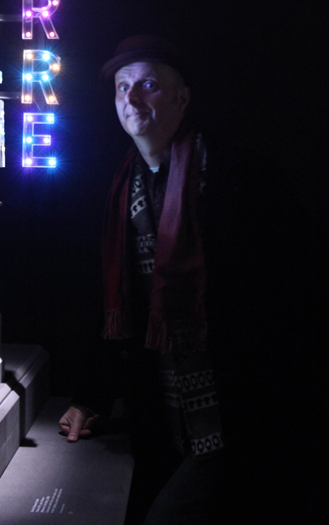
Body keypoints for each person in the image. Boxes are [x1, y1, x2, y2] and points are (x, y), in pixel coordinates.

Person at [58, 35, 303, 524]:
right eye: (122, 87)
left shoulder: (239, 179)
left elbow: (284, 296)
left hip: (239, 407)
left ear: (181, 98)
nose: (131, 98)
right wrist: (90, 397)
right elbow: (112, 303)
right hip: (163, 411)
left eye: (147, 84)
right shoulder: (120, 188)